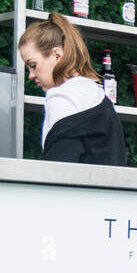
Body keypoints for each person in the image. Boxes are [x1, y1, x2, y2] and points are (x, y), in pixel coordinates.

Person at [18, 14, 125, 165]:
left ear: (57, 54)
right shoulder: (96, 95)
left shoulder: (63, 97)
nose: (31, 75)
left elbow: (59, 169)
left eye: (33, 65)